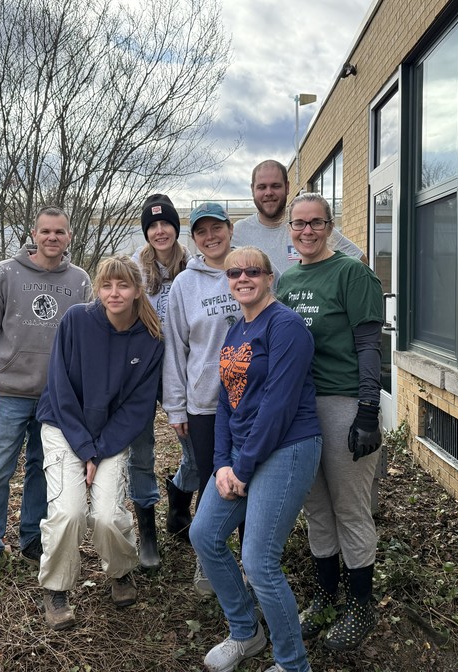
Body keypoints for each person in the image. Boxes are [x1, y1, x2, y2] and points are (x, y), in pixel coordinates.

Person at [190, 246, 321, 672]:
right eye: (234, 273)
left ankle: (291, 662)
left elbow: (277, 406)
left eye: (252, 271)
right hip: (242, 452)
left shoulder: (287, 327)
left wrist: (242, 467)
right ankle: (246, 632)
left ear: (268, 278)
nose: (242, 278)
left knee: (259, 561)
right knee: (205, 534)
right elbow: (226, 403)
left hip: (288, 447)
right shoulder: (236, 330)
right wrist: (222, 463)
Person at [276, 193, 385, 651]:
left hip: (341, 403)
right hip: (300, 409)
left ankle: (360, 607)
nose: (307, 231)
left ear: (330, 225)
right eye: (299, 224)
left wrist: (367, 411)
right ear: (290, 230)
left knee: (350, 509)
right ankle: (326, 596)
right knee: (316, 508)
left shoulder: (351, 273)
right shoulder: (286, 281)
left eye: (315, 223)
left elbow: (368, 347)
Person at [35, 256, 165, 630]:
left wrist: (101, 449)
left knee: (108, 514)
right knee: (70, 512)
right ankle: (57, 588)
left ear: (138, 290)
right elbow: (60, 390)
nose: (114, 293)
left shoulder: (150, 339)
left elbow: (138, 409)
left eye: (123, 285)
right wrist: (85, 449)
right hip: (64, 426)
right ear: (98, 288)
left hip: (111, 435)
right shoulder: (76, 320)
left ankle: (120, 572)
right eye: (107, 285)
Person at [0, 207, 91, 594]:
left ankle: (31, 539)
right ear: (33, 234)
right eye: (45, 232)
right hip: (8, 392)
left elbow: (88, 339)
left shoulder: (80, 281)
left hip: (55, 397)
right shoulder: (5, 273)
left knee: (42, 468)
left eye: (59, 232)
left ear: (69, 237)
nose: (52, 238)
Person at [162, 201, 241, 596]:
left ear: (231, 229)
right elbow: (175, 349)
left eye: (217, 228)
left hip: (251, 402)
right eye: (201, 231)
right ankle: (207, 558)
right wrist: (176, 406)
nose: (211, 237)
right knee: (213, 484)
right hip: (205, 403)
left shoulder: (252, 269)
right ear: (193, 239)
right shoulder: (184, 285)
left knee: (251, 481)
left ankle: (249, 560)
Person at [129, 194, 200, 565]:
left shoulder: (195, 266)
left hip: (184, 372)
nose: (160, 231)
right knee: (141, 453)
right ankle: (147, 535)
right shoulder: (135, 270)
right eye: (152, 226)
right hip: (141, 374)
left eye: (166, 224)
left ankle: (178, 501)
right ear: (146, 232)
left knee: (195, 451)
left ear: (176, 227)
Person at [232, 160, 364, 287]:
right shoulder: (238, 232)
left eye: (275, 186)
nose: (268, 193)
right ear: (252, 189)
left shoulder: (308, 227)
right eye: (262, 187)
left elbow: (360, 260)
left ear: (287, 187)